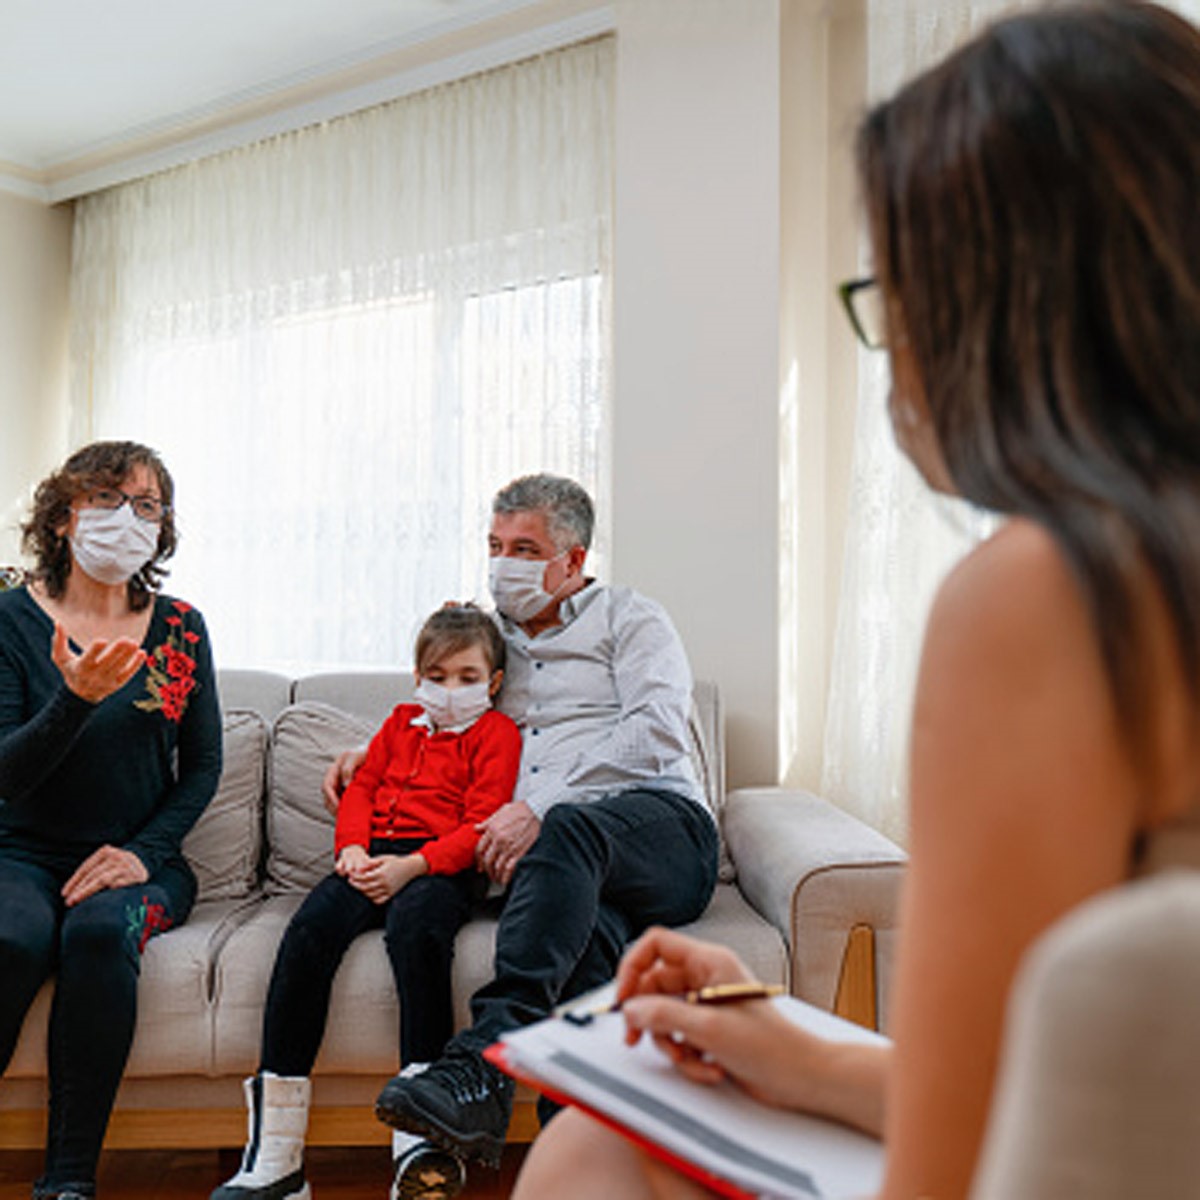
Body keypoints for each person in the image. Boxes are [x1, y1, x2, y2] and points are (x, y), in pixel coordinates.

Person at [510, 3, 1200, 1198]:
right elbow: (1069, 1085)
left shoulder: (1049, 597)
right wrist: (789, 1047)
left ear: (995, 299)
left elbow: (949, 1170)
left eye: (894, 287)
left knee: (592, 1146)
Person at [324, 474, 720, 1181]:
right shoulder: (489, 637)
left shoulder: (631, 619)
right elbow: (440, 703)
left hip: (662, 831)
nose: (504, 562)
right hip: (571, 872)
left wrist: (539, 806)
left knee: (568, 826)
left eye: (525, 547)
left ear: (573, 560)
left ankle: (484, 1059)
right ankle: (579, 1173)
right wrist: (375, 752)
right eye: (495, 544)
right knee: (588, 944)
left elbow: (658, 730)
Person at [211, 604, 521, 1200]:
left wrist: (414, 867)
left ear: (494, 682)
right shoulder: (399, 723)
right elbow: (364, 788)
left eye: (466, 677)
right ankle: (277, 1153)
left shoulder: (496, 734)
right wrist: (352, 847)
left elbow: (482, 821)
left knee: (418, 933)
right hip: (373, 852)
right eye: (436, 675)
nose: (449, 689)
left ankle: (420, 1143)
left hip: (439, 864)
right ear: (416, 677)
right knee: (307, 934)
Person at [0, 440, 222, 1200]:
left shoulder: (183, 629)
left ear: (162, 528)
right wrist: (76, 698)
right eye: (106, 500)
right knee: (10, 936)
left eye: (147, 505)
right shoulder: (9, 621)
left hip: (141, 859)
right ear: (64, 516)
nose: (127, 519)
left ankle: (67, 1179)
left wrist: (142, 853)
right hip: (21, 852)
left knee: (99, 933)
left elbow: (202, 769)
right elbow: (5, 774)